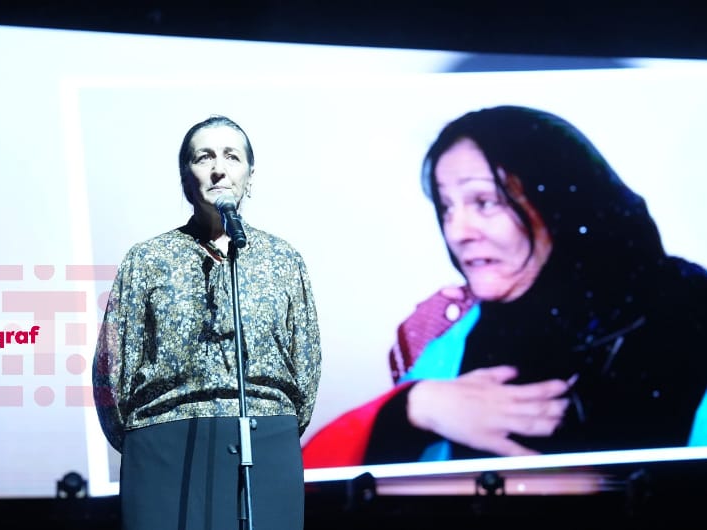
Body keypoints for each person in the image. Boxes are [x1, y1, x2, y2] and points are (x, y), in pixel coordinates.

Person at [302, 105, 707, 467]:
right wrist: (415, 407)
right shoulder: (452, 331)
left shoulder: (685, 307)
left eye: (485, 202)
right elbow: (310, 479)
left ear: (559, 203)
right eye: (447, 207)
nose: (457, 231)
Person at [93, 115, 322, 529]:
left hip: (267, 443)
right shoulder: (147, 259)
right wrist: (147, 437)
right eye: (204, 157)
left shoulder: (283, 259)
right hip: (162, 447)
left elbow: (306, 366)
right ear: (186, 178)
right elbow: (112, 372)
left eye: (232, 157)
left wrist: (276, 424)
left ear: (250, 176)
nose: (219, 168)